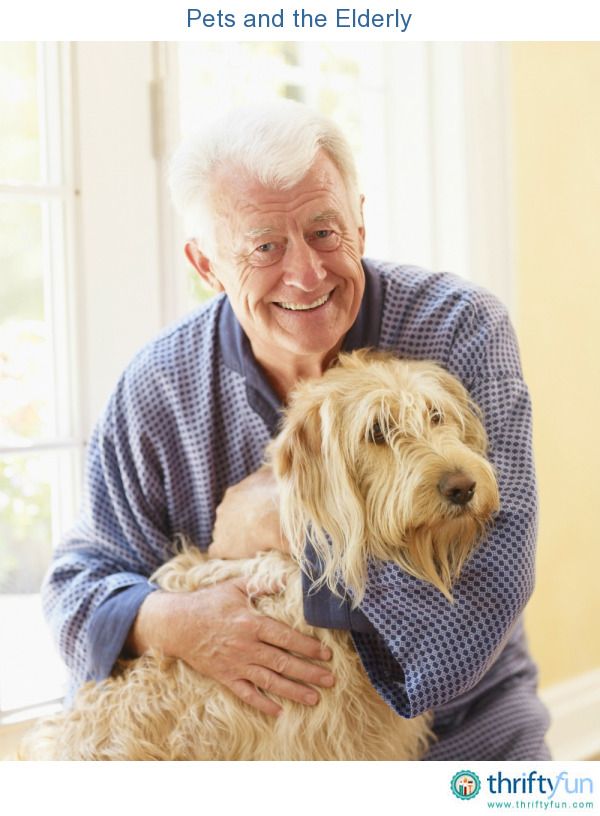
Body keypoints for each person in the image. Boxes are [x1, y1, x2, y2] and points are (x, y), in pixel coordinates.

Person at [42, 99, 550, 759]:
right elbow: (79, 585)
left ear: (360, 223)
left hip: (470, 743)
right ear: (207, 266)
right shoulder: (157, 387)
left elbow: (492, 573)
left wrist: (289, 529)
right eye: (265, 247)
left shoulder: (460, 329)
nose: (306, 273)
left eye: (323, 231)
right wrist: (177, 620)